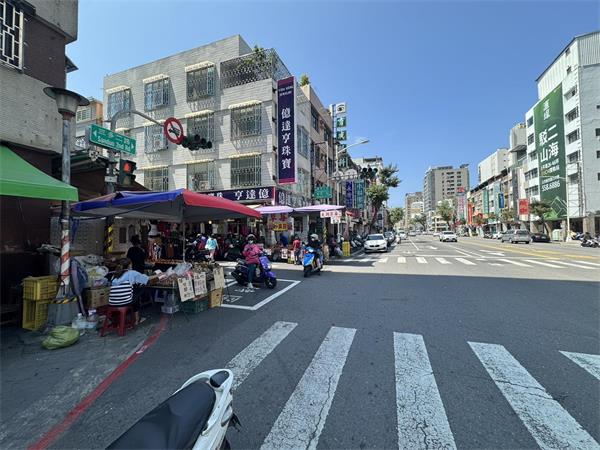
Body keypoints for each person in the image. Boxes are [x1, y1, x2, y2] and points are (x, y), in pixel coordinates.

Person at [109, 258, 157, 325]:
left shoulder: (114, 275)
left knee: (134, 292)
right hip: (125, 301)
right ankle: (137, 319)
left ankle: (132, 318)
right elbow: (146, 279)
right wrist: (159, 275)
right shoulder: (131, 273)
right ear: (129, 265)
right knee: (138, 290)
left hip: (112, 302)